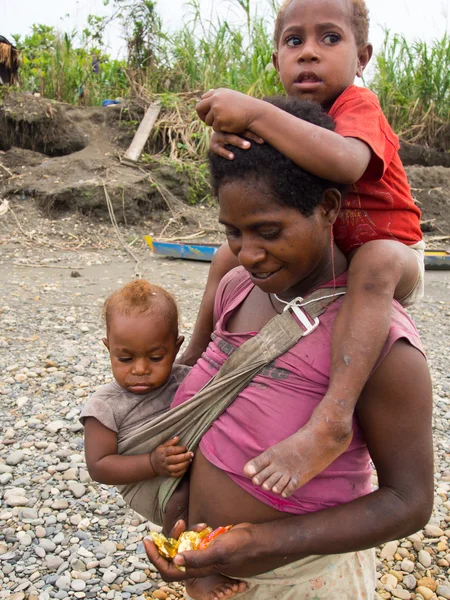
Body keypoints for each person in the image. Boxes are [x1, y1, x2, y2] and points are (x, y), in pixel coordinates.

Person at [144, 97, 433, 600]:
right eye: (233, 232)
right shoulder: (238, 290)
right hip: (212, 577)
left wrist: (263, 542)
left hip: (308, 584)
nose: (249, 254)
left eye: (268, 231)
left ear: (328, 208)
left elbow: (409, 501)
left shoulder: (381, 343)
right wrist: (184, 515)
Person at [181, 0, 425, 499]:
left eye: (329, 39)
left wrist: (254, 112)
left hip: (392, 252)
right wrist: (228, 143)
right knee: (228, 256)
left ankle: (332, 418)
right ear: (276, 61)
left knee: (373, 264)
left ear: (363, 57)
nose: (309, 54)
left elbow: (345, 163)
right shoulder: (291, 118)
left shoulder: (359, 107)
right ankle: (194, 351)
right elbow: (259, 178)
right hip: (332, 244)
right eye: (294, 42)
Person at [80, 280, 193, 531]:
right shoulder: (104, 407)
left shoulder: (189, 380)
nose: (140, 369)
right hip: (151, 489)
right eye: (125, 358)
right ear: (108, 348)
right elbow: (99, 467)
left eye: (155, 358)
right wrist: (152, 463)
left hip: (194, 474)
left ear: (176, 348)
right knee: (183, 500)